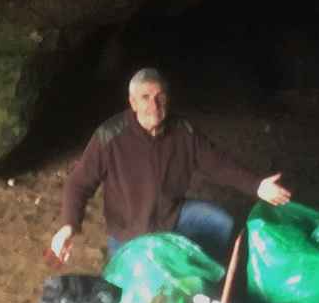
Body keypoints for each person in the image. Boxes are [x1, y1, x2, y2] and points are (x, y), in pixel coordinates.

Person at [49, 67, 291, 263]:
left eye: (160, 97)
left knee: (221, 223)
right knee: (133, 286)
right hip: (128, 231)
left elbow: (217, 164)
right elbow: (79, 183)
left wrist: (256, 185)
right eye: (145, 97)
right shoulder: (110, 136)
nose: (154, 105)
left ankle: (209, 274)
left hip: (171, 215)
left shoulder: (183, 131)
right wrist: (69, 226)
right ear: (132, 102)